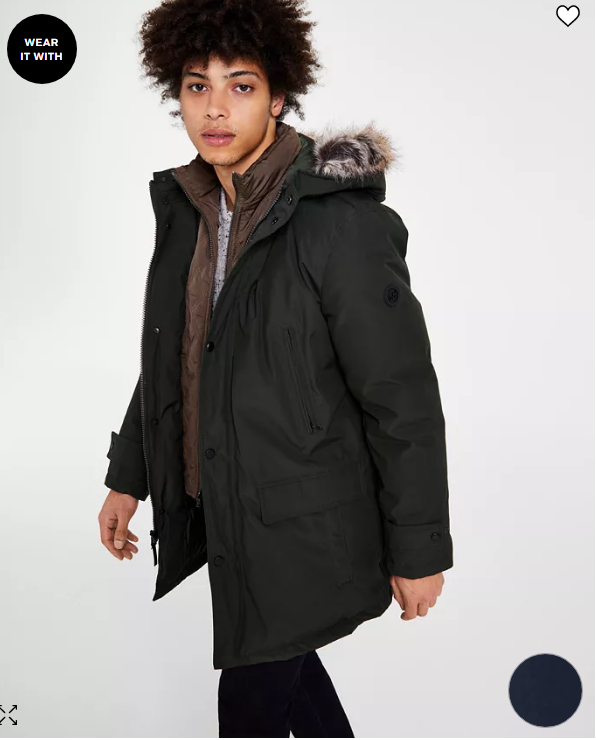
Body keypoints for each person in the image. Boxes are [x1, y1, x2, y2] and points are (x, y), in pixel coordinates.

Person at [97, 0, 454, 736]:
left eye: (241, 85)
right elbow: (178, 354)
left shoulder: (338, 224)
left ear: (279, 96)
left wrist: (420, 548)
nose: (215, 108)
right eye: (197, 86)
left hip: (304, 522)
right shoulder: (195, 211)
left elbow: (401, 396)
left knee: (250, 708)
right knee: (292, 691)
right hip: (229, 507)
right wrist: (129, 474)